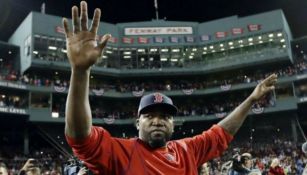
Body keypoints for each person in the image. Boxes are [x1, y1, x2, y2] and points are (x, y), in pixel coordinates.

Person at [63, 1, 278, 174]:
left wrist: (251, 99)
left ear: (173, 124)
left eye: (165, 117)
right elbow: (80, 137)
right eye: (150, 116)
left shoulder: (187, 150)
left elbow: (220, 133)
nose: (157, 120)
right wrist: (80, 72)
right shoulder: (121, 152)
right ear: (138, 123)